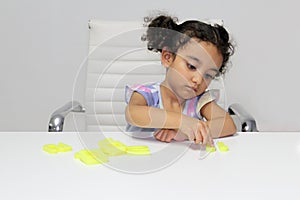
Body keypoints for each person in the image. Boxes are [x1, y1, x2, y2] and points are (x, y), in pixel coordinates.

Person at [125, 15, 236, 146]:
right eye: (192, 66)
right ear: (167, 57)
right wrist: (182, 122)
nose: (198, 80)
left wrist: (191, 132)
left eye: (208, 75)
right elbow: (133, 114)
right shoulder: (147, 94)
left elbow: (228, 124)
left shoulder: (199, 101)